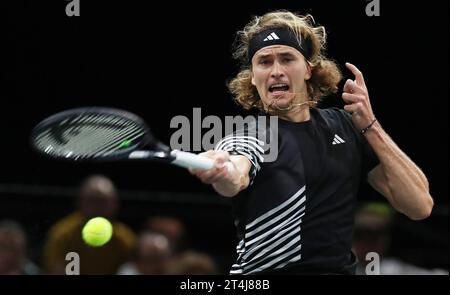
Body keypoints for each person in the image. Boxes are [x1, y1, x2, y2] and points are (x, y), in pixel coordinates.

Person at [190, 10, 434, 275]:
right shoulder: (253, 134)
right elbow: (235, 175)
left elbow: (419, 205)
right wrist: (222, 169)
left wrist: (370, 125)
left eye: (286, 59)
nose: (276, 72)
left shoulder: (344, 126)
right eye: (264, 62)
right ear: (252, 76)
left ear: (308, 68)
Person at [42, 174, 136, 274]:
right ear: (80, 202)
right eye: (92, 200)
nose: (97, 207)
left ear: (115, 204)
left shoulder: (126, 239)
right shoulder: (62, 235)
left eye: (103, 201)